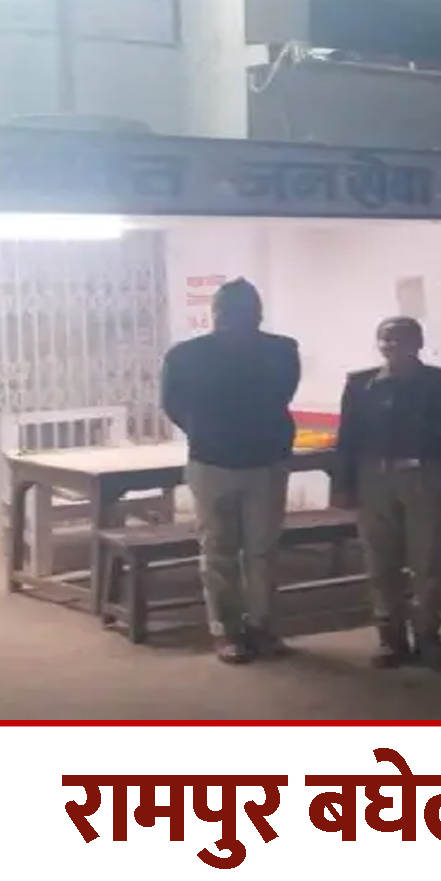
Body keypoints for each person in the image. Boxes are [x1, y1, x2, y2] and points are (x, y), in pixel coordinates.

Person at [160, 278, 301, 665]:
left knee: (263, 551)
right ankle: (226, 631)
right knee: (218, 550)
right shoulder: (185, 356)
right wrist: (208, 431)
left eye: (244, 311)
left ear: (258, 314)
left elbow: (281, 395)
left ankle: (262, 627)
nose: (235, 319)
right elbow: (173, 405)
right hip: (211, 462)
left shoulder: (282, 350)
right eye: (227, 311)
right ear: (214, 314)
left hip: (266, 461)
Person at [333, 317, 441, 669]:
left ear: (418, 343)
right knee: (381, 562)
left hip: (425, 477)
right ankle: (390, 637)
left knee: (428, 562)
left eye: (400, 339)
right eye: (385, 339)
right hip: (374, 480)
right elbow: (347, 439)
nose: (391, 345)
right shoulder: (360, 384)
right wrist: (344, 486)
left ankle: (428, 635)